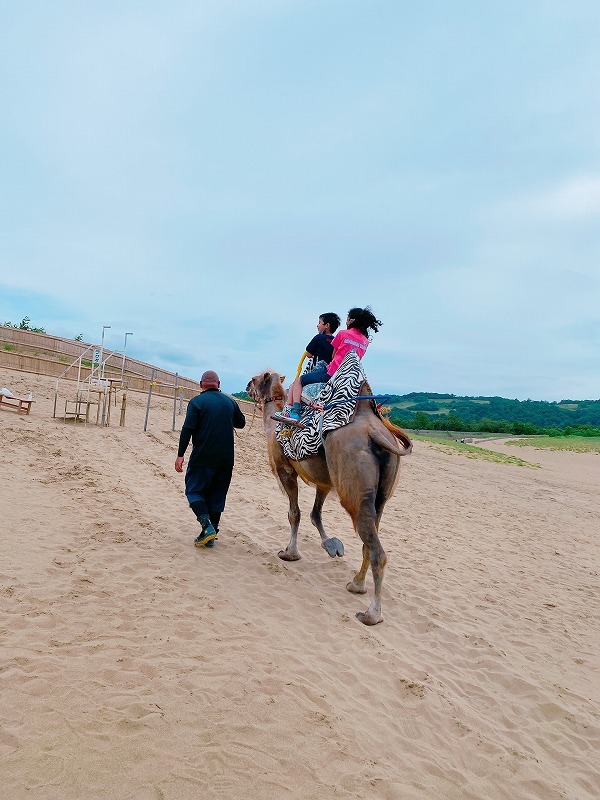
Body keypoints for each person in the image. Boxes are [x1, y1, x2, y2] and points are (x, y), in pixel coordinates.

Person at [175, 370, 246, 547]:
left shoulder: (197, 402)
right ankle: (210, 537)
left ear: (201, 385)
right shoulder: (230, 402)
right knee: (217, 496)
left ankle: (207, 526)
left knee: (194, 491)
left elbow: (187, 429)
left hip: (202, 457)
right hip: (226, 459)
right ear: (219, 384)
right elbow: (241, 423)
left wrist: (180, 455)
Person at [275, 306, 382, 423]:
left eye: (347, 319)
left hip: (331, 373)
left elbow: (333, 356)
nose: (346, 322)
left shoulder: (342, 334)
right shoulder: (365, 341)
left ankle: (294, 412)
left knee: (298, 381)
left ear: (351, 321)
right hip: (348, 379)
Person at [296, 312, 341, 376]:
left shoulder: (318, 337)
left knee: (296, 383)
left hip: (318, 371)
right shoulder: (336, 340)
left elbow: (308, 354)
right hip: (331, 373)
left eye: (319, 323)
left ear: (327, 325)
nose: (317, 325)